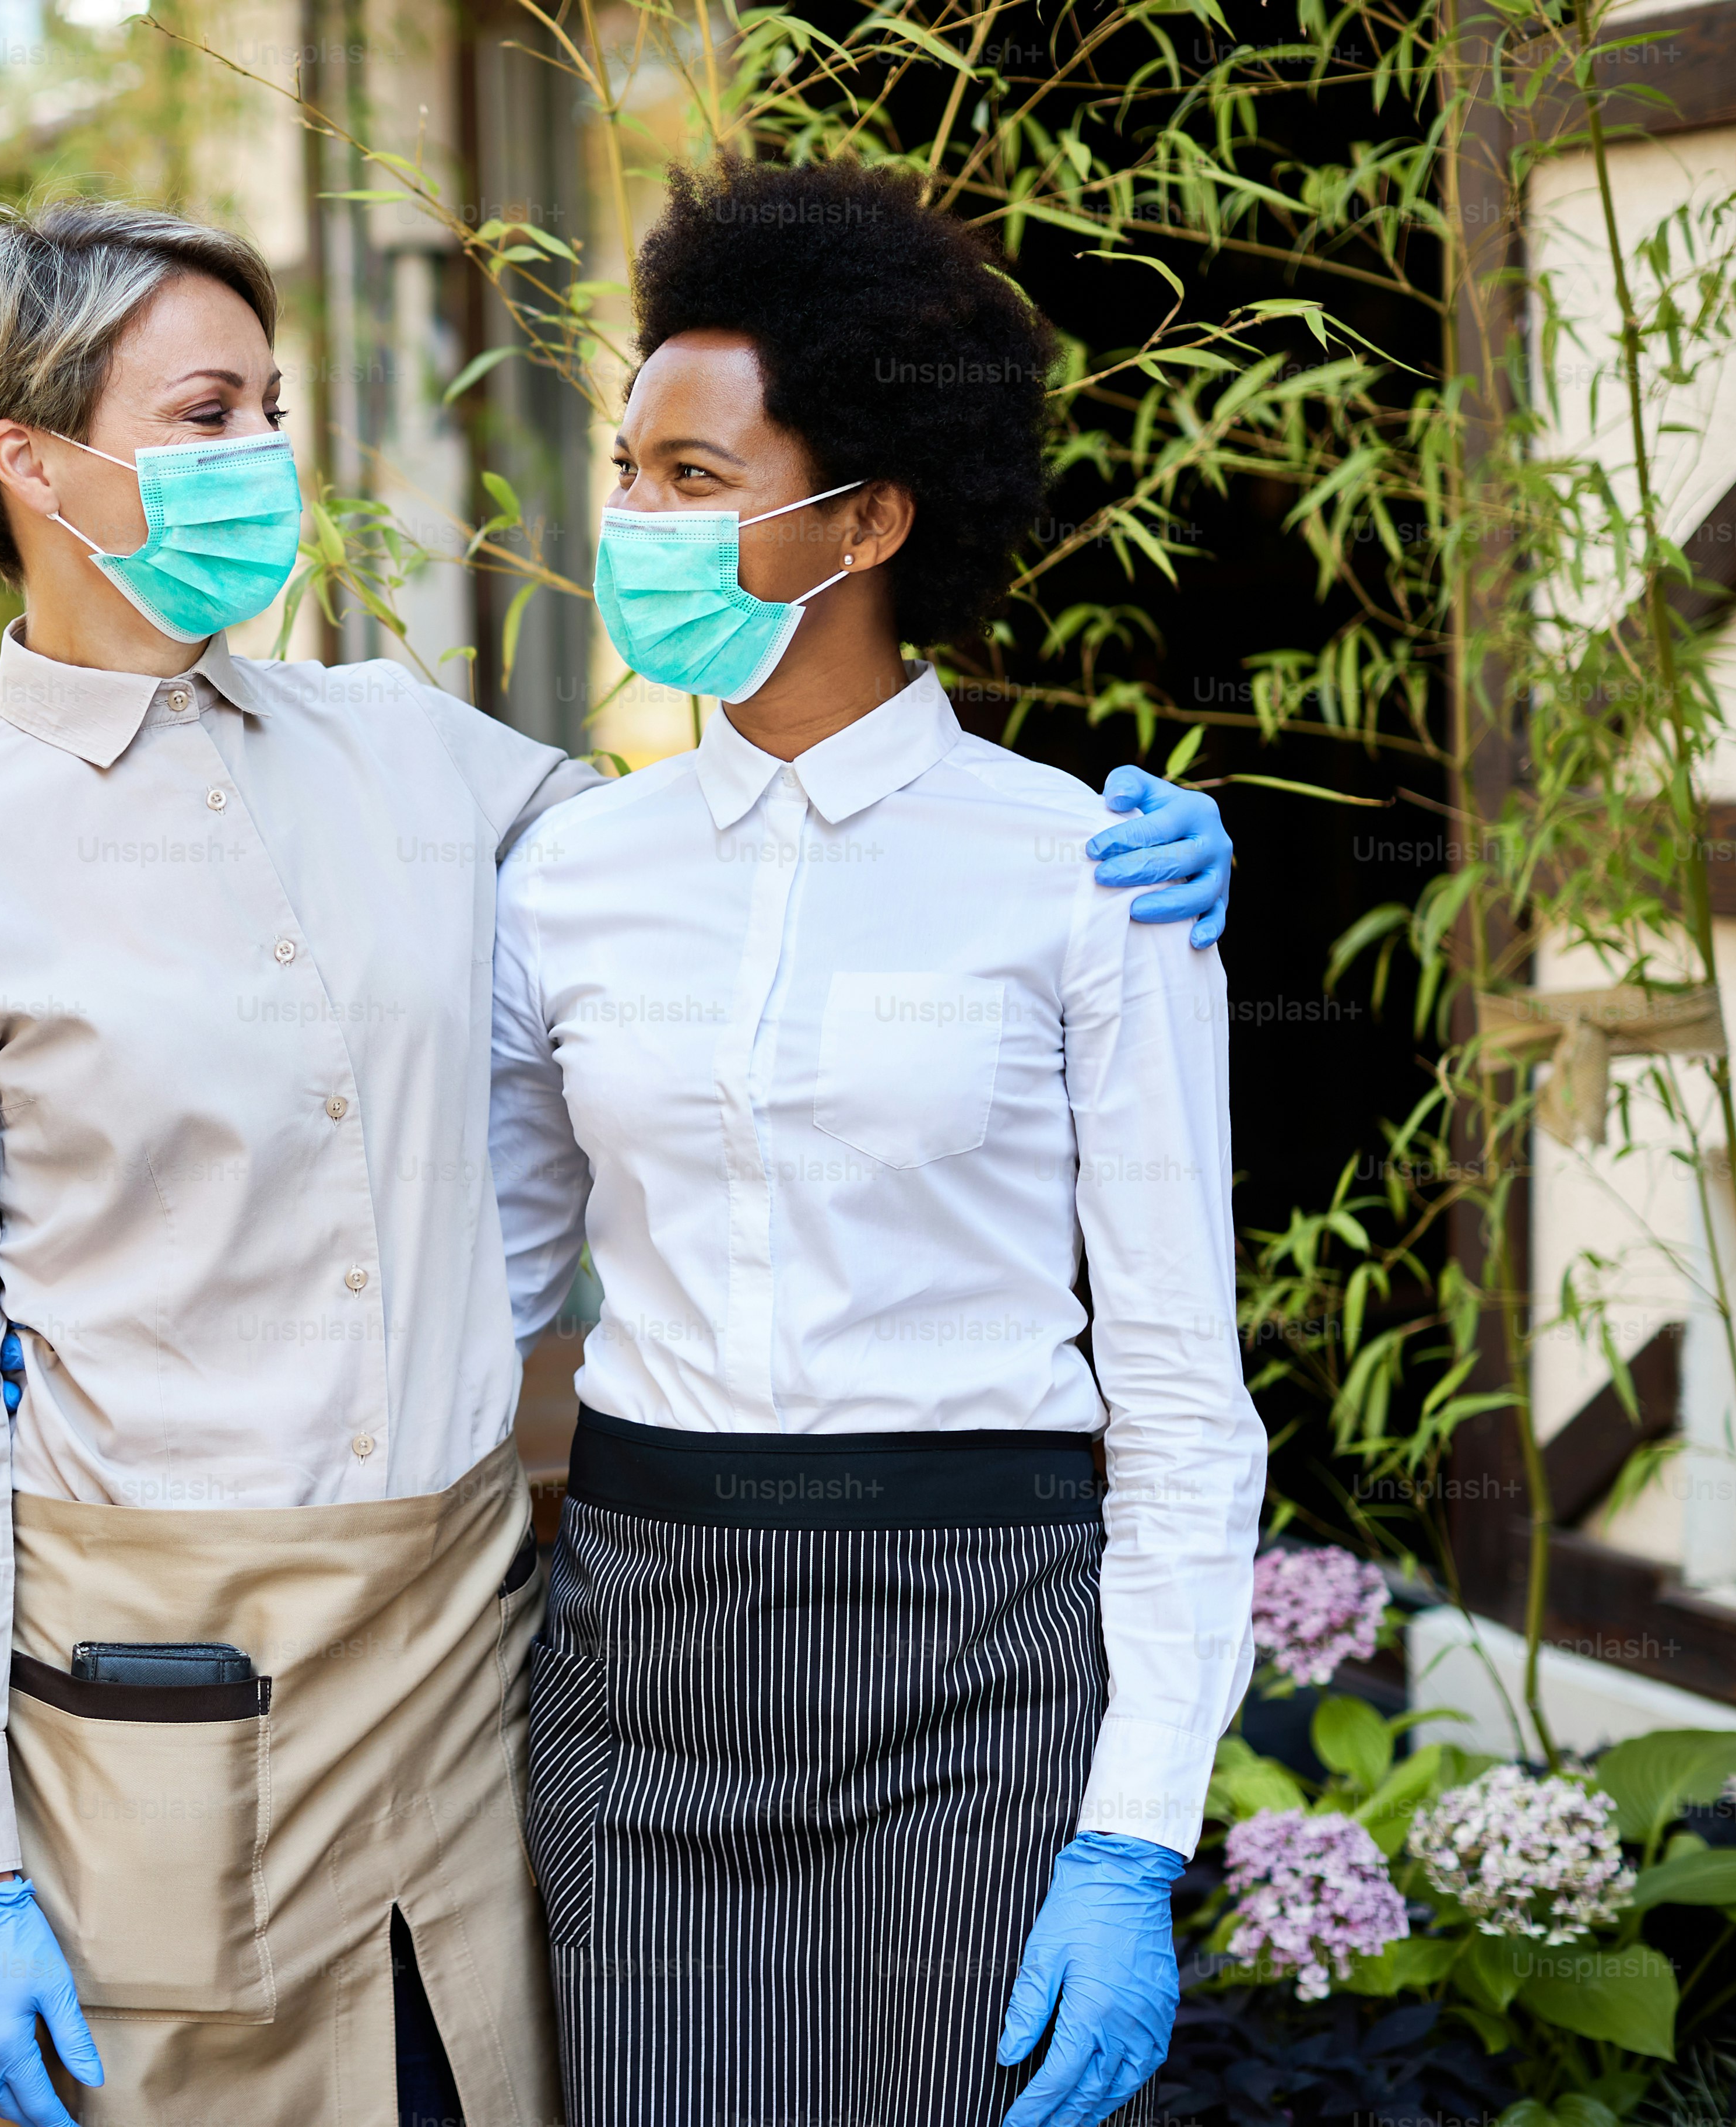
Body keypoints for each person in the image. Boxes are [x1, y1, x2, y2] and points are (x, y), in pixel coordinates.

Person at [0, 193, 1236, 2127]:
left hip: (516, 1647)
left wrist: (1151, 877)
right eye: (210, 414)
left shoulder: (428, 762)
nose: (265, 464)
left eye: (269, 410)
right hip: (206, 1660)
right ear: (31, 455)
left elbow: (777, 860)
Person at [491, 157, 1265, 2127]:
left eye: (694, 478)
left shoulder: (1091, 875)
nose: (635, 525)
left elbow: (1180, 1387)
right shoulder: (565, 873)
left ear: (874, 515)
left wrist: (1132, 1842)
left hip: (978, 1665)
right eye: (630, 471)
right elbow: (466, 1290)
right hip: (643, 1645)